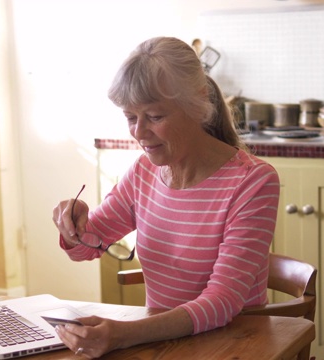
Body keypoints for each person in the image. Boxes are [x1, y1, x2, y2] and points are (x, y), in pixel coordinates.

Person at [51, 36, 280, 358]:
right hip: (164, 343)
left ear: (197, 103)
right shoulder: (144, 171)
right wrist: (73, 223)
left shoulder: (252, 181)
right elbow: (88, 247)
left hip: (233, 343)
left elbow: (222, 303)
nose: (139, 133)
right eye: (130, 117)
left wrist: (122, 334)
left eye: (155, 117)